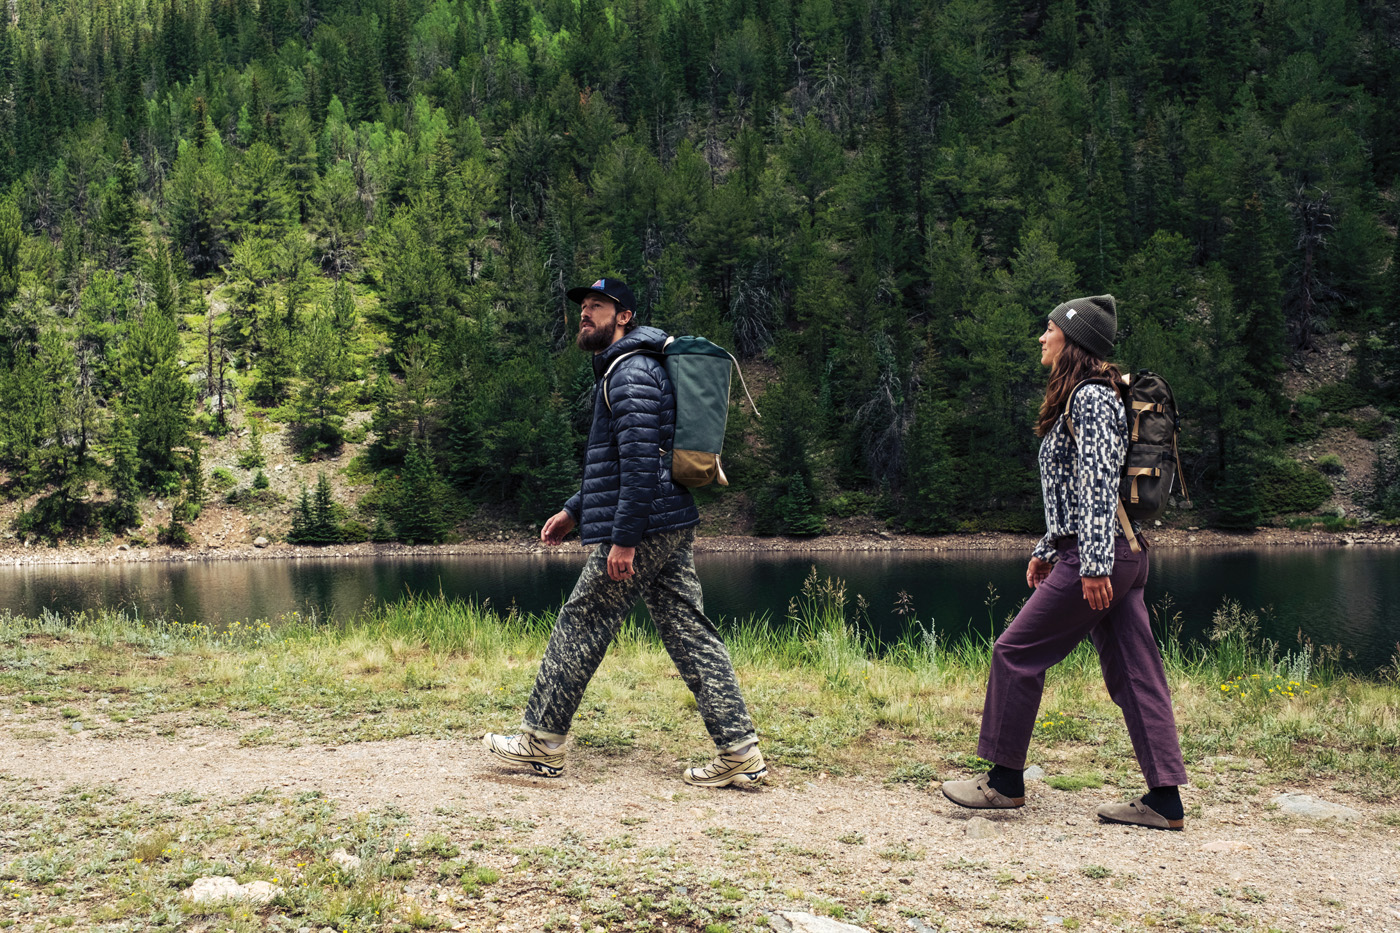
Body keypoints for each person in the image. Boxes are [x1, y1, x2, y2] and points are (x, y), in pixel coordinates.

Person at [482, 278, 765, 787]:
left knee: (582, 621)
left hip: (647, 523)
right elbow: (618, 462)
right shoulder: (626, 369)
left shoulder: (630, 374)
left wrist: (625, 540)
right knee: (690, 632)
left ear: (625, 317)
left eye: (598, 307)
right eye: (584, 307)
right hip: (670, 517)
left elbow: (639, 466)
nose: (586, 314)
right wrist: (575, 510)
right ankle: (740, 751)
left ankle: (542, 743)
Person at [941, 295, 1188, 830]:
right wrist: (1047, 548)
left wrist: (1093, 563)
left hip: (1103, 554)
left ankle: (1004, 782)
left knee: (1014, 652)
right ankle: (1164, 800)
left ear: (1074, 339)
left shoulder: (1093, 398)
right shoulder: (1086, 396)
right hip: (1109, 550)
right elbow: (1074, 490)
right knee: (1134, 671)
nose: (1041, 337)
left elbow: (1098, 484)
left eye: (1048, 329)